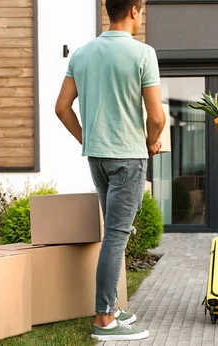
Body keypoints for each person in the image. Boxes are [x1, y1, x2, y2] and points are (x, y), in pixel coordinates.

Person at [54, 0, 165, 341]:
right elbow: (157, 116)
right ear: (134, 10)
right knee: (116, 238)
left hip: (97, 158)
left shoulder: (82, 54)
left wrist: (88, 139)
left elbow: (62, 108)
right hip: (128, 158)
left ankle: (112, 307)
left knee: (113, 236)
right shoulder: (143, 54)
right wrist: (152, 140)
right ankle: (104, 320)